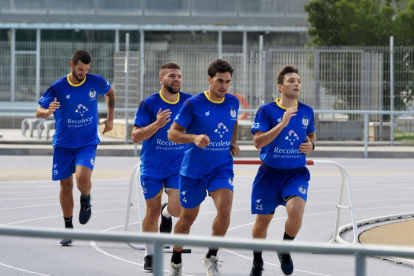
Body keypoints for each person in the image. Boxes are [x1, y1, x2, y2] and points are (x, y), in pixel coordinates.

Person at [167, 59, 240, 276]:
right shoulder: (193, 104)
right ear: (209, 79)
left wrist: (233, 144)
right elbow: (172, 133)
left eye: (227, 82)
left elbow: (233, 121)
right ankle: (176, 260)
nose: (224, 86)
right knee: (187, 219)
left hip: (221, 167)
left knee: (225, 211)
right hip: (194, 171)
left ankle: (211, 256)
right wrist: (194, 137)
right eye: (219, 81)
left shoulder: (233, 102)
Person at [35, 50, 115, 246]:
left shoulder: (95, 81)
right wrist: (47, 112)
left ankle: (85, 198)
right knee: (66, 186)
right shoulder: (58, 86)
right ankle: (68, 227)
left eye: (87, 69)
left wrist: (111, 118)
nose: (84, 73)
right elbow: (39, 111)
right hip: (63, 143)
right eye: (80, 69)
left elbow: (110, 92)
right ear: (71, 65)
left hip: (87, 142)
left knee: (82, 179)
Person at [249, 65, 316, 276]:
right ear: (280, 86)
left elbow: (311, 137)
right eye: (291, 81)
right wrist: (282, 124)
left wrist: (312, 146)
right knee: (263, 222)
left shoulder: (306, 111)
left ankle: (285, 248)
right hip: (269, 174)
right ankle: (257, 261)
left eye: (299, 81)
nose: (297, 84)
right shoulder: (266, 110)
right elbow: (258, 142)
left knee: (296, 213)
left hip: (296, 173)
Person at [131, 62, 192, 272]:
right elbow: (135, 136)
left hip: (177, 165)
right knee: (151, 211)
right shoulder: (149, 104)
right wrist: (156, 125)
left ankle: (167, 214)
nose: (177, 79)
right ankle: (150, 255)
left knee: (177, 209)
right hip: (153, 166)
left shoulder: (189, 102)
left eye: (179, 76)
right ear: (161, 79)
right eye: (172, 76)